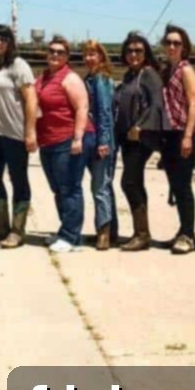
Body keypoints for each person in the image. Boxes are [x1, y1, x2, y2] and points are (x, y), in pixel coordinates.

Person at [0, 23, 38, 249]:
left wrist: (30, 132)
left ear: (10, 42)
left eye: (3, 39)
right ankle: (0, 227)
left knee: (18, 180)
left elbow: (31, 99)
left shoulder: (18, 66)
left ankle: (17, 230)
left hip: (15, 134)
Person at [36, 36, 95, 253]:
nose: (55, 55)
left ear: (67, 57)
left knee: (70, 188)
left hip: (68, 139)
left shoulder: (70, 78)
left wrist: (78, 138)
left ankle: (72, 237)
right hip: (48, 140)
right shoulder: (43, 77)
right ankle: (66, 231)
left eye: (60, 52)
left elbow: (82, 107)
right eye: (52, 51)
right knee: (58, 188)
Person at [114, 31, 169, 252]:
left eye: (138, 50)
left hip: (141, 138)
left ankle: (143, 234)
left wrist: (140, 126)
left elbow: (156, 104)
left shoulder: (149, 75)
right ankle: (140, 232)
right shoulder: (129, 75)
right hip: (127, 139)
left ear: (145, 53)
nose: (133, 54)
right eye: (129, 50)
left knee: (129, 182)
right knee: (135, 182)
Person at [159, 24, 195, 254]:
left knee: (183, 186)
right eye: (169, 43)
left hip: (184, 132)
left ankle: (188, 234)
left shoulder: (186, 70)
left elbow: (193, 103)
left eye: (176, 43)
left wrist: (188, 135)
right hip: (169, 134)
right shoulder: (167, 69)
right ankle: (184, 229)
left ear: (184, 47)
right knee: (175, 184)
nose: (172, 46)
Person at [82, 40, 118, 250]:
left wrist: (103, 141)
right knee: (104, 185)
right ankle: (111, 230)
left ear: (101, 57)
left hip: (100, 140)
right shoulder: (90, 78)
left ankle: (103, 232)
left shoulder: (101, 80)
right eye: (86, 54)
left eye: (93, 54)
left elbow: (104, 112)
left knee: (100, 187)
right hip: (92, 138)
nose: (89, 58)